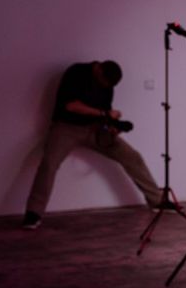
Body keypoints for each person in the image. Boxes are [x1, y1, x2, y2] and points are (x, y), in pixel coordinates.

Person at [21, 61, 162, 229]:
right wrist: (104, 113)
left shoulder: (108, 84)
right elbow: (71, 105)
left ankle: (157, 201)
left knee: (132, 156)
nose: (106, 87)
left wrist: (112, 126)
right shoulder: (76, 72)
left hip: (95, 129)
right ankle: (33, 213)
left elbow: (105, 111)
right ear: (98, 70)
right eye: (104, 83)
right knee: (49, 164)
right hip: (67, 127)